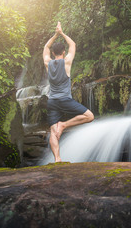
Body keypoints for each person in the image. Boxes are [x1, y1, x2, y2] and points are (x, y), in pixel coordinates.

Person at [43, 22, 94, 162]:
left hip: (52, 101)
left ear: (53, 53)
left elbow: (46, 47)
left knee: (53, 131)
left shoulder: (48, 63)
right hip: (65, 100)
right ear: (63, 52)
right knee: (89, 116)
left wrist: (55, 34)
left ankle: (57, 159)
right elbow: (73, 45)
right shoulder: (67, 62)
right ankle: (64, 124)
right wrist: (62, 33)